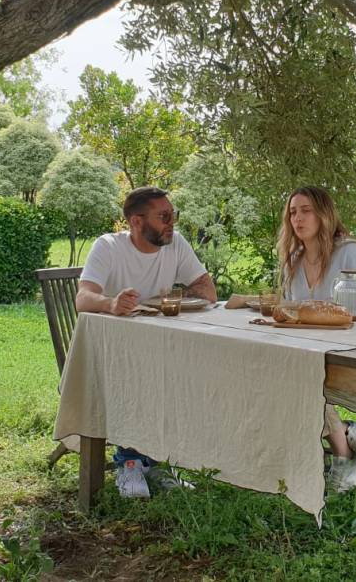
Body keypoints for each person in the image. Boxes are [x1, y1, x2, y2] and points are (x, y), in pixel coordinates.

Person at [75, 185, 217, 498]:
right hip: (109, 353)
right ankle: (130, 463)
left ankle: (155, 461)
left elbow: (208, 292)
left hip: (160, 348)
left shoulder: (175, 244)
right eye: (163, 216)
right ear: (137, 222)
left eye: (173, 215)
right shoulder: (108, 247)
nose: (172, 223)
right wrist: (111, 303)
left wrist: (165, 299)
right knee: (143, 374)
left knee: (192, 372)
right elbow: (82, 298)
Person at [277, 185, 356, 493]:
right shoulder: (295, 259)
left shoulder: (351, 253)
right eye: (293, 212)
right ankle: (347, 440)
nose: (298, 218)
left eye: (306, 211)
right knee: (282, 369)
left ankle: (344, 451)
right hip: (315, 355)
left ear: (324, 215)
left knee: (298, 377)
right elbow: (294, 314)